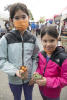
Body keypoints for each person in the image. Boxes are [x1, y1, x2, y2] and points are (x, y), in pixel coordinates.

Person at [0, 3, 39, 100]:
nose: (21, 20)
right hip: (14, 79)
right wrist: (15, 71)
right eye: (17, 18)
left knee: (29, 97)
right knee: (17, 98)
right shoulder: (5, 39)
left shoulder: (32, 38)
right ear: (11, 20)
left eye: (23, 17)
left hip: (29, 78)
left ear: (28, 17)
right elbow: (2, 60)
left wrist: (34, 74)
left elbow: (36, 57)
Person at [33, 25, 67, 100]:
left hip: (53, 94)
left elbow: (65, 79)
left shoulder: (63, 58)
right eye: (45, 41)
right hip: (41, 89)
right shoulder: (41, 54)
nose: (48, 44)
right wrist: (37, 74)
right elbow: (39, 68)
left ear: (57, 39)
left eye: (51, 40)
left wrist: (47, 82)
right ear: (41, 40)